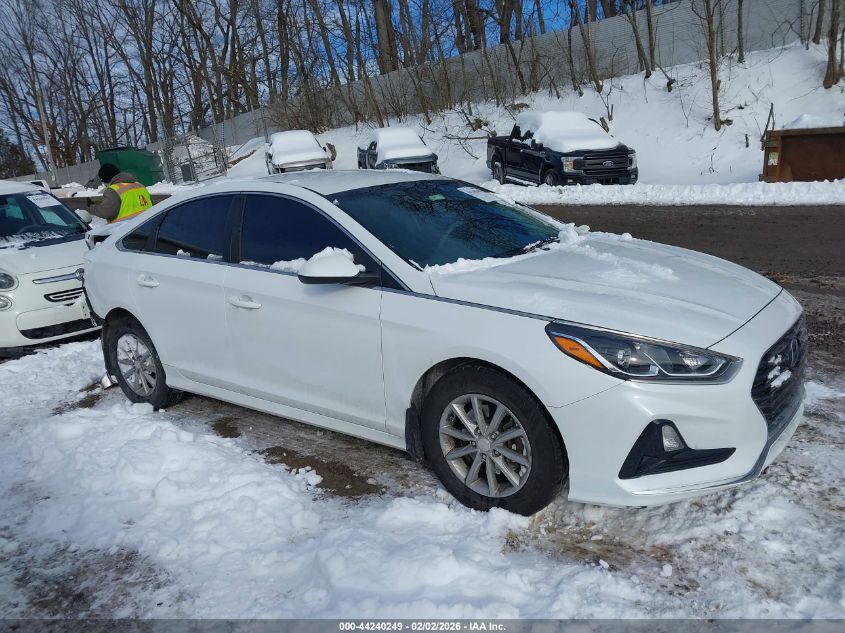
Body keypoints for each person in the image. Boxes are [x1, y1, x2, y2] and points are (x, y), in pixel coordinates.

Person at [87, 163, 153, 223]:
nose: (105, 185)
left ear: (107, 179)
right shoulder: (140, 186)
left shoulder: (113, 190)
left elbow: (107, 212)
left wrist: (92, 207)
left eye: (104, 182)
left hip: (125, 230)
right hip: (147, 225)